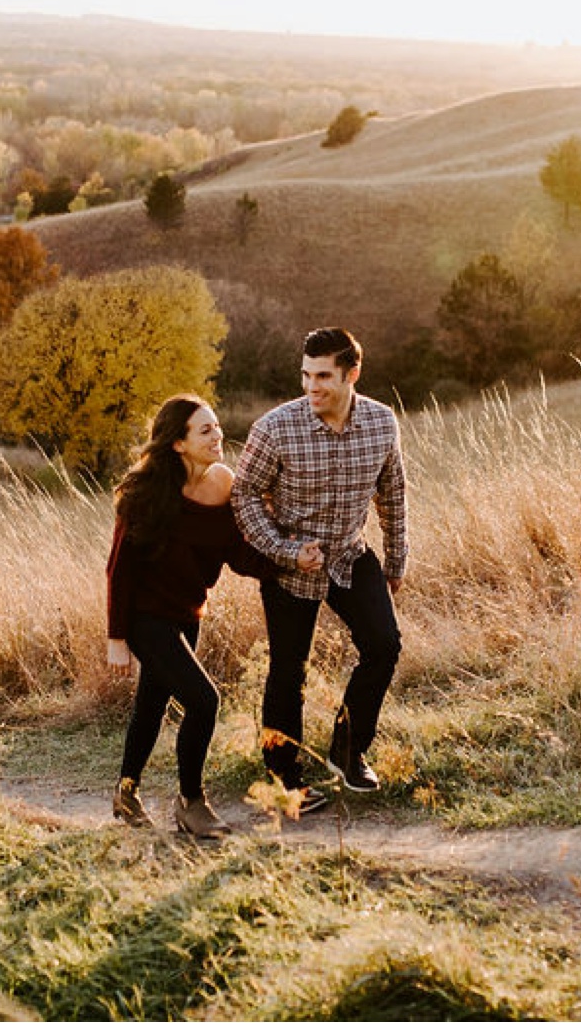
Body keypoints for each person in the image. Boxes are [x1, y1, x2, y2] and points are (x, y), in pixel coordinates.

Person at [232, 327, 408, 812]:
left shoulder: (381, 423)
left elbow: (392, 493)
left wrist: (395, 560)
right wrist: (284, 549)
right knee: (288, 673)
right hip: (290, 564)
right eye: (307, 375)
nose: (312, 386)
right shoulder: (275, 427)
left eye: (324, 376)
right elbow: (243, 496)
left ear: (352, 374)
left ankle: (349, 751)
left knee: (384, 645)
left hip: (351, 554)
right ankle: (284, 781)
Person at [106, 394, 277, 837]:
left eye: (217, 426)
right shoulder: (145, 493)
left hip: (187, 614)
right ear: (178, 444)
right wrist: (117, 639)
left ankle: (126, 793)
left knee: (152, 704)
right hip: (146, 619)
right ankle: (191, 802)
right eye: (205, 430)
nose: (217, 435)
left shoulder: (224, 484)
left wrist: (288, 562)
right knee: (205, 700)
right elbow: (119, 569)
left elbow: (237, 553)